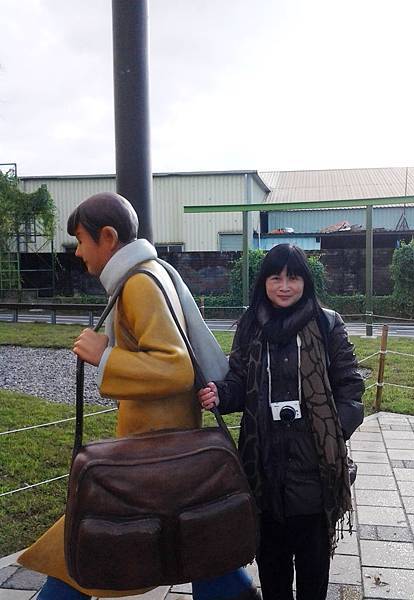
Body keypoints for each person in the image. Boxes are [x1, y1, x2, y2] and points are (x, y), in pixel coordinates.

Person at [18, 192, 259, 600]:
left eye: (81, 240)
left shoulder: (138, 285)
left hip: (152, 451)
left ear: (108, 237)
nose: (78, 252)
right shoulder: (151, 272)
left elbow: (176, 366)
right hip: (170, 446)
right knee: (199, 544)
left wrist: (104, 356)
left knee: (81, 550)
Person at [198, 243, 364, 600]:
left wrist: (333, 432)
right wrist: (220, 394)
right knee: (272, 573)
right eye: (276, 277)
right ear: (264, 282)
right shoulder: (250, 325)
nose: (284, 286)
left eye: (293, 277)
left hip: (315, 472)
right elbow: (239, 380)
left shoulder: (327, 323)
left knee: (313, 575)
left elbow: (351, 387)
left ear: (306, 281)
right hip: (263, 468)